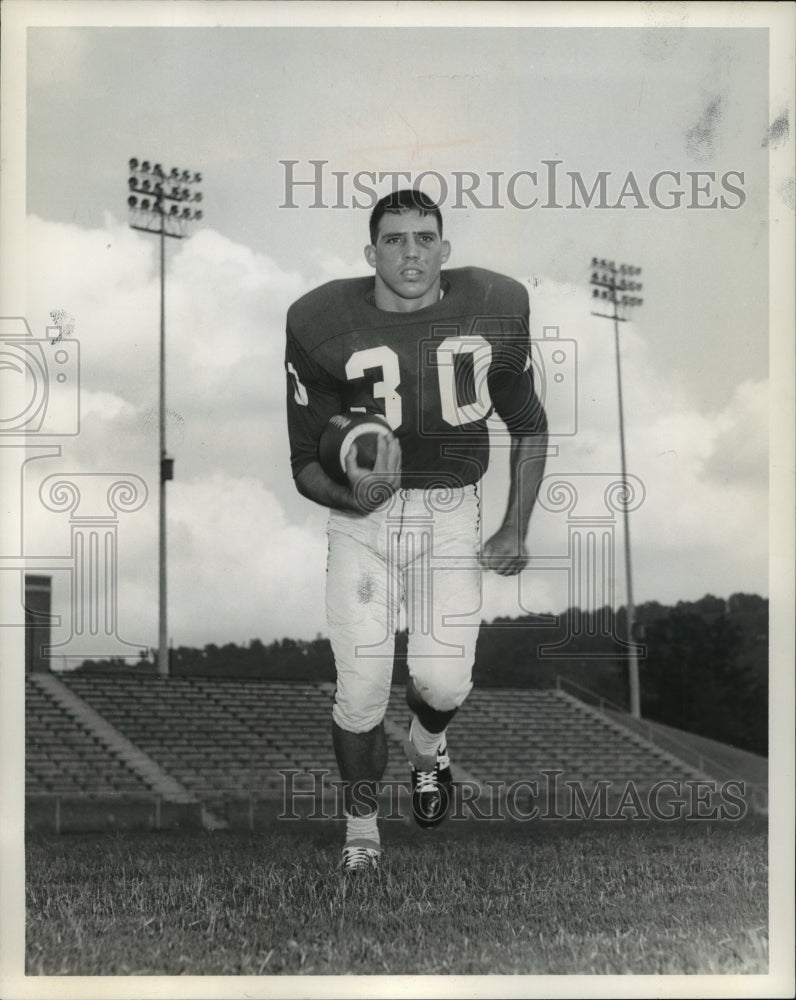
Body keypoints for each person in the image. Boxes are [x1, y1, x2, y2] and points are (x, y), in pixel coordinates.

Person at [285, 189, 548, 871]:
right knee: (361, 691)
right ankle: (362, 833)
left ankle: (428, 750)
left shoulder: (494, 308)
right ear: (370, 252)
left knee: (444, 684)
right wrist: (350, 491)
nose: (411, 252)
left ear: (445, 249)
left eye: (424, 238)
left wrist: (514, 527)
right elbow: (300, 464)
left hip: (451, 512)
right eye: (395, 240)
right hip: (361, 523)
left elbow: (530, 426)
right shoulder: (318, 321)